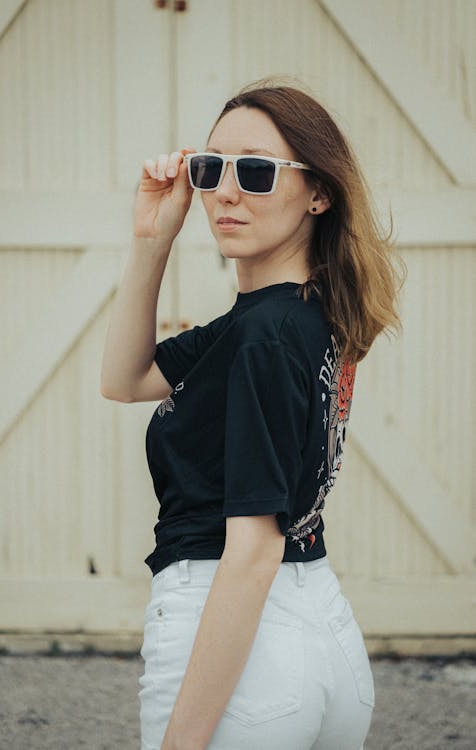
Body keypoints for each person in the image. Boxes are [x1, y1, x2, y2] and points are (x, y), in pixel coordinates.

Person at [100, 77, 404, 750]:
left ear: (319, 192)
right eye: (211, 168)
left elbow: (254, 551)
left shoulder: (267, 333)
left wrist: (185, 741)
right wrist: (152, 240)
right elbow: (125, 379)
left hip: (244, 645)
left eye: (259, 171)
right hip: (319, 629)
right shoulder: (288, 315)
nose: (226, 193)